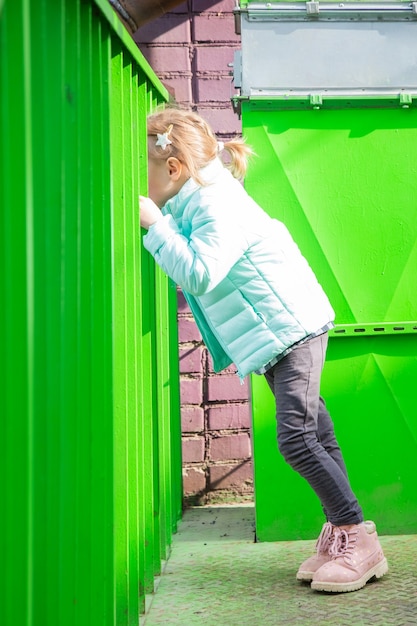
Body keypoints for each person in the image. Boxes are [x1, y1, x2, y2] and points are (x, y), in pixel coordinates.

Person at [139, 106, 388, 593]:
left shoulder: (215, 204)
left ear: (173, 167)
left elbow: (200, 273)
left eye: (143, 165)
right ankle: (346, 532)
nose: (139, 179)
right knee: (316, 432)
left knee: (296, 438)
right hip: (280, 330)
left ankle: (355, 536)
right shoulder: (198, 200)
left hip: (290, 327)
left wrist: (155, 227)